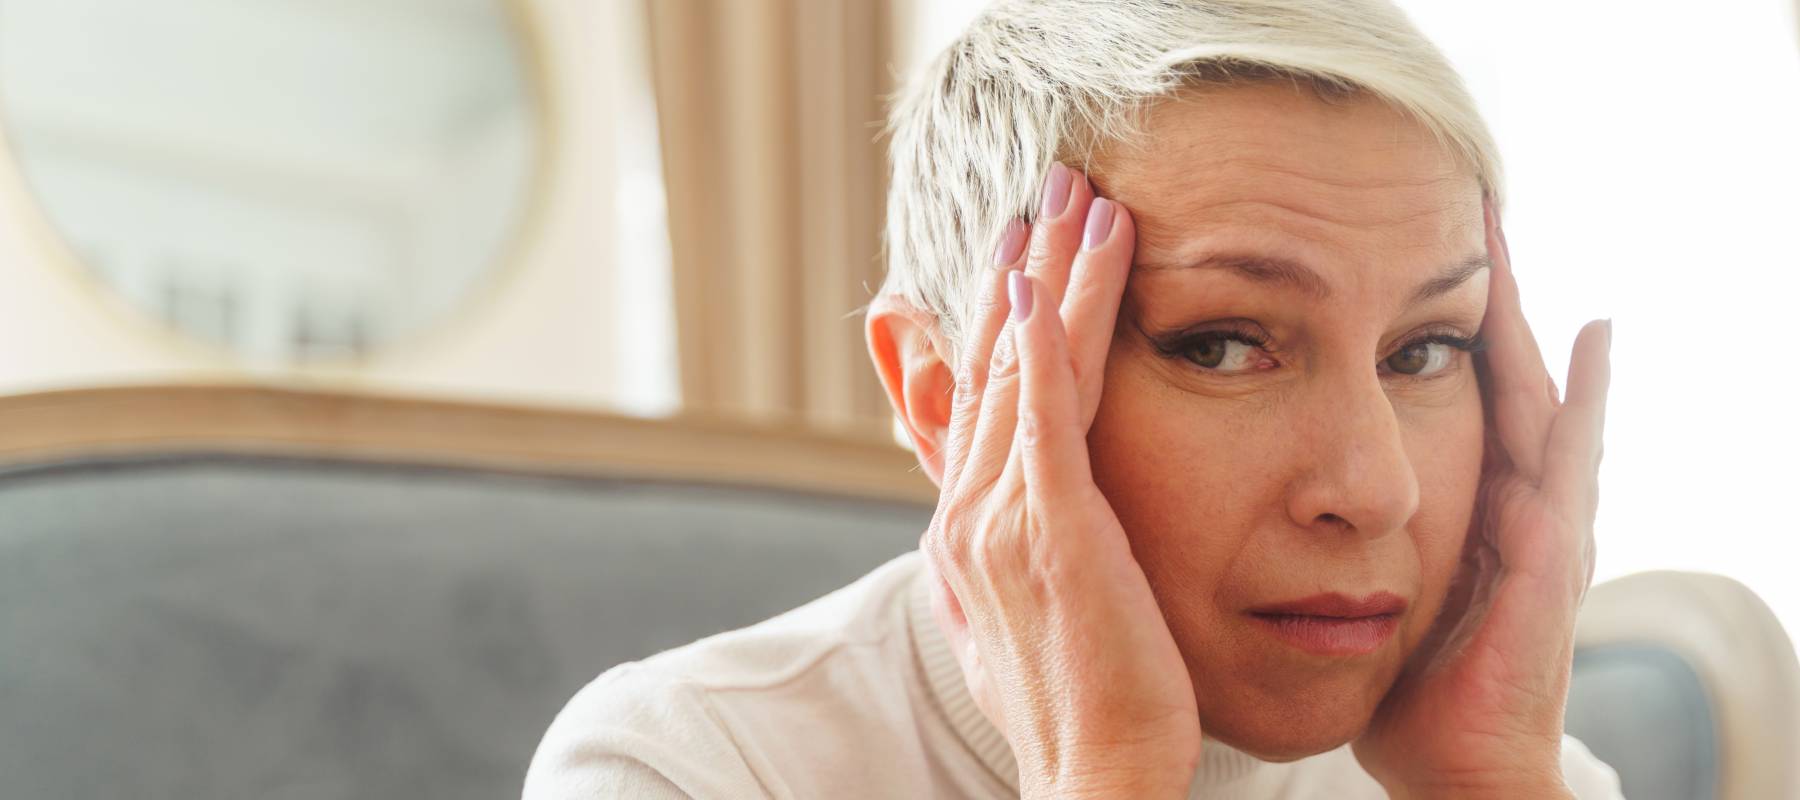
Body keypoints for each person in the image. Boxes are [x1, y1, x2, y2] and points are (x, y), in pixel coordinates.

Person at [524, 0, 1622, 796]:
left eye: (1425, 350)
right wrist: (1109, 771)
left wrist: (1488, 781)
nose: (1376, 490)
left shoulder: (1528, 775)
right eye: (1222, 345)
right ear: (943, 396)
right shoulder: (683, 768)